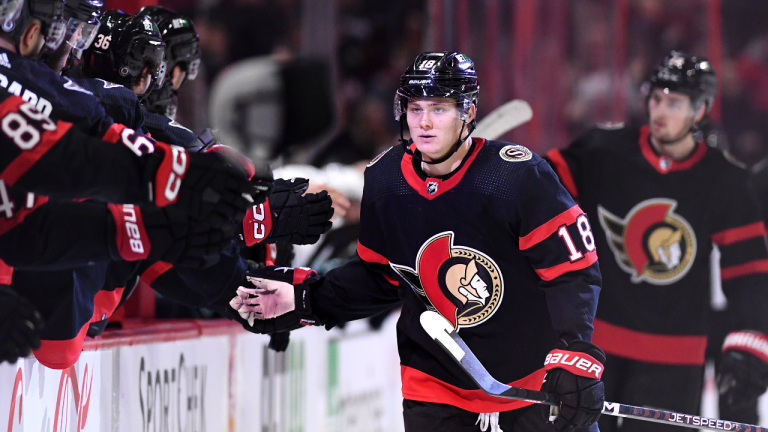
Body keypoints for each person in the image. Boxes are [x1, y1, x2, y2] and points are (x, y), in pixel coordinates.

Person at [225, 51, 606, 432]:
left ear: (468, 112)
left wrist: (576, 352)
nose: (424, 122)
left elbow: (573, 271)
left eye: (439, 108)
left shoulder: (518, 177)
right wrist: (307, 298)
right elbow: (381, 277)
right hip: (435, 387)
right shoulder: (386, 179)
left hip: (530, 383)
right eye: (415, 108)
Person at [545, 50, 768, 432]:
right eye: (656, 99)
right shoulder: (604, 150)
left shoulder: (725, 179)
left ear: (699, 111)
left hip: (675, 359)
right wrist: (504, 171)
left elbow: (748, 270)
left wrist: (751, 336)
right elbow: (542, 191)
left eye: (675, 102)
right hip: (595, 349)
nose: (660, 111)